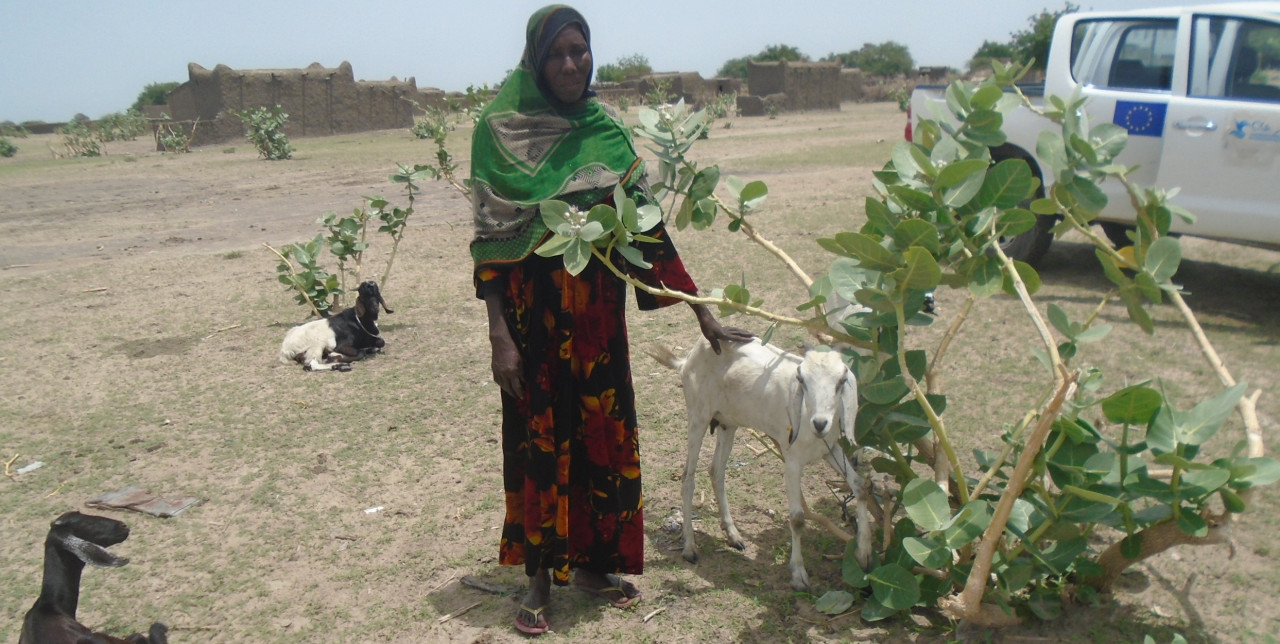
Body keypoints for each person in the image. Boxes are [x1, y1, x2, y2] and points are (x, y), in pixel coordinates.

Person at [469, 4, 752, 636]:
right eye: (557, 53)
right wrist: (499, 339)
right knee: (541, 440)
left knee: (603, 434)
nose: (571, 63)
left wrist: (702, 315)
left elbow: (647, 229)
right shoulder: (499, 130)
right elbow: (489, 245)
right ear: (535, 59)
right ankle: (539, 579)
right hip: (532, 324)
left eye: (581, 50)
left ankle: (596, 566)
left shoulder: (603, 127)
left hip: (599, 322)